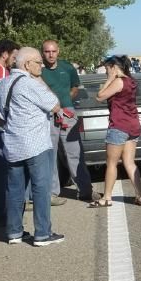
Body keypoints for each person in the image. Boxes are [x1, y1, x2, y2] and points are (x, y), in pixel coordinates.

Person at [0, 47, 66, 245]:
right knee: (41, 188)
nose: (41, 66)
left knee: (14, 190)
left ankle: (14, 232)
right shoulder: (30, 84)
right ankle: (42, 233)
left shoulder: (2, 84)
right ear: (26, 64)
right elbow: (55, 104)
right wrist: (39, 81)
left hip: (12, 144)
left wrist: (8, 126)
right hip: (36, 144)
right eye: (38, 62)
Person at [40, 39, 98, 204]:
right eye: (47, 51)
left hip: (68, 113)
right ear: (42, 52)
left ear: (58, 51)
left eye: (53, 51)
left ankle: (86, 190)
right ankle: (52, 193)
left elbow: (75, 86)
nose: (51, 55)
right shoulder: (39, 70)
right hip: (48, 115)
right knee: (50, 154)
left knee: (75, 152)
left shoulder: (67, 67)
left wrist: (67, 100)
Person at [94, 55, 141, 207]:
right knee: (130, 162)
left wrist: (110, 79)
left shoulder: (118, 81)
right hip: (133, 126)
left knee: (111, 163)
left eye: (107, 68)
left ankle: (107, 197)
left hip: (119, 126)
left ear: (114, 67)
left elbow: (99, 97)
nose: (105, 71)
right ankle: (139, 195)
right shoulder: (131, 81)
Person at [0, 40, 20, 225]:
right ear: (5, 54)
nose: (14, 61)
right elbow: (4, 98)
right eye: (14, 56)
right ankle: (0, 214)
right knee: (0, 174)